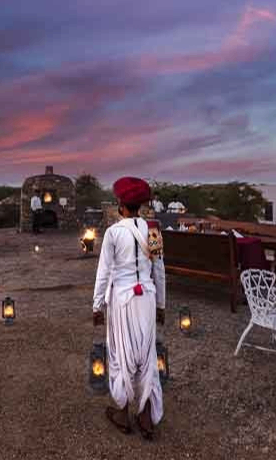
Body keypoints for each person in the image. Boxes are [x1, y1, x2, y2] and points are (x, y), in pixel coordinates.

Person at [92, 176, 166, 440]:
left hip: (121, 299)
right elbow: (159, 271)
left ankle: (123, 413)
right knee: (147, 356)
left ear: (120, 204)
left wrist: (97, 304)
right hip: (146, 296)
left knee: (120, 354)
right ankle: (146, 417)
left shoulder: (113, 233)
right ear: (141, 206)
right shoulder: (154, 231)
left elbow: (104, 272)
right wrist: (161, 305)